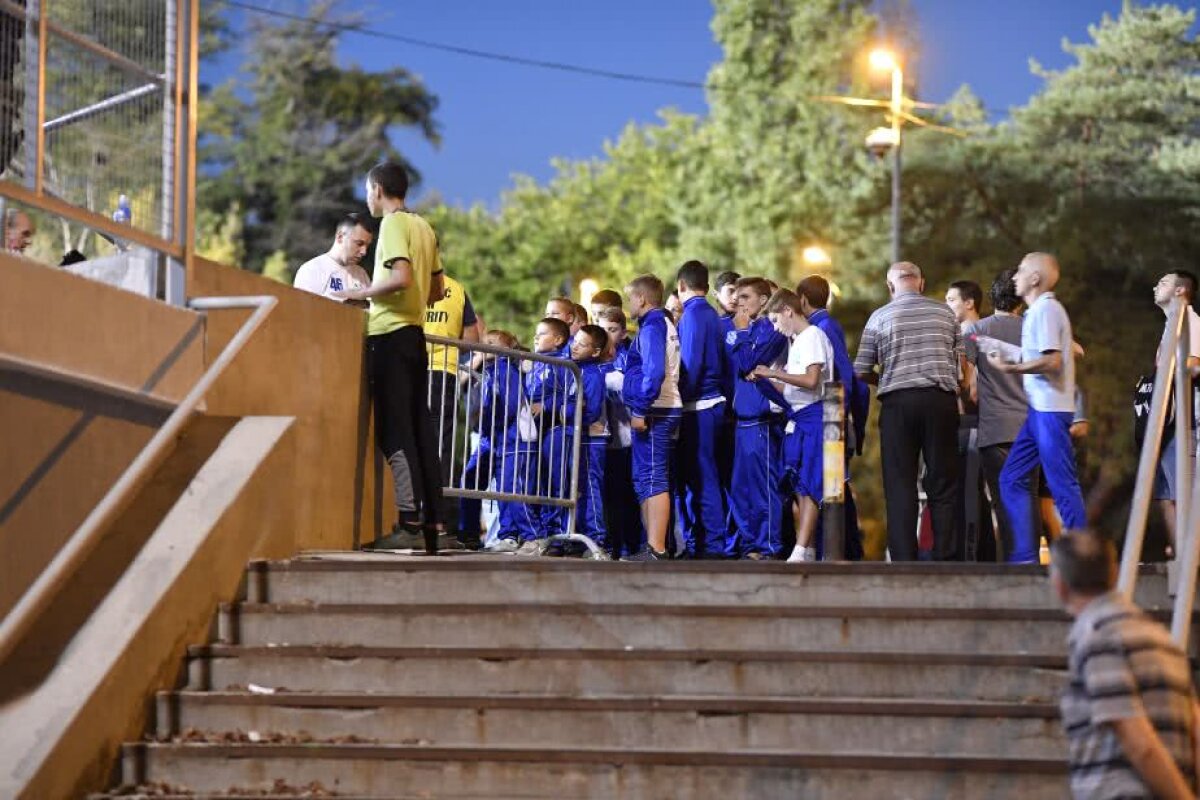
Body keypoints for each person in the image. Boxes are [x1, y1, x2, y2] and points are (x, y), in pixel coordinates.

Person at [338, 162, 448, 553]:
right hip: (416, 337)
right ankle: (434, 524)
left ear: (377, 189)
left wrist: (359, 295)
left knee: (394, 431)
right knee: (421, 431)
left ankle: (408, 523)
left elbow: (400, 277)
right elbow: (435, 289)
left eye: (368, 190)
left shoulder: (395, 225)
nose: (368, 197)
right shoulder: (425, 227)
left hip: (389, 336)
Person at [1052, 529, 1199, 799]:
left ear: (1060, 585)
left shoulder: (1098, 636)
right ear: (1113, 574)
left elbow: (1138, 742)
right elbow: (1195, 728)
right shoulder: (1160, 637)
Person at [854, 262, 963, 562]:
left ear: (890, 287)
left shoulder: (879, 317)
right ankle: (946, 557)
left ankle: (903, 558)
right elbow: (960, 367)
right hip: (940, 402)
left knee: (900, 483)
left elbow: (861, 371)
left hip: (898, 405)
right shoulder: (946, 313)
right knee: (943, 483)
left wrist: (888, 377)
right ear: (921, 283)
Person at [990, 252, 1087, 564]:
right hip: (1039, 411)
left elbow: (1053, 360)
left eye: (1020, 271)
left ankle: (1084, 555)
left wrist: (1012, 369)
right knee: (1011, 478)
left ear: (1034, 279)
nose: (1015, 276)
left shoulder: (1045, 310)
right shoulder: (1037, 313)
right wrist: (1013, 359)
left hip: (1051, 411)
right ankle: (1024, 557)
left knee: (1062, 484)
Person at [964, 270, 1039, 561]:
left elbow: (971, 390)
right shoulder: (1033, 330)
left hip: (994, 429)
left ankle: (1012, 564)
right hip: (1029, 429)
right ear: (1020, 300)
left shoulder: (976, 330)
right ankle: (1030, 565)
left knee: (1002, 500)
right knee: (1028, 496)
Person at [755, 289, 834, 562]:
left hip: (813, 416)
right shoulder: (799, 340)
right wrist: (766, 380)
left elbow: (812, 380)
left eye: (777, 320)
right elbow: (793, 385)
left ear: (789, 311)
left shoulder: (812, 336)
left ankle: (801, 548)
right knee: (797, 483)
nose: (777, 328)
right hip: (798, 416)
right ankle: (807, 546)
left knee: (810, 481)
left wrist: (776, 372)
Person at [797, 275, 868, 560]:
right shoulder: (824, 326)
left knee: (832, 487)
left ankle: (840, 552)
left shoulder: (822, 328)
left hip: (831, 418)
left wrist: (839, 415)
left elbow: (845, 377)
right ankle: (846, 550)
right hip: (832, 416)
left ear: (802, 300)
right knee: (835, 489)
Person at [621, 274, 682, 561]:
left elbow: (654, 372)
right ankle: (652, 545)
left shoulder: (652, 326)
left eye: (630, 298)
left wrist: (641, 409)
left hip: (656, 410)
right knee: (646, 477)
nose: (628, 304)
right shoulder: (658, 323)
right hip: (657, 408)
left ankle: (656, 547)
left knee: (654, 478)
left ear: (642, 299)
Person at [727, 277, 789, 559]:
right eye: (737, 297)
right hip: (742, 420)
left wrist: (742, 337)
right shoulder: (744, 329)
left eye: (746, 297)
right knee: (741, 490)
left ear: (763, 301)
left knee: (765, 487)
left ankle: (768, 545)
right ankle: (751, 543)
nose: (739, 303)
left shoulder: (771, 330)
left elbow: (749, 364)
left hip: (763, 420)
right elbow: (743, 369)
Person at [673, 260, 729, 558]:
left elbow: (691, 365)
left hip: (700, 406)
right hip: (713, 403)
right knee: (704, 476)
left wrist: (678, 400)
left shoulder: (693, 316)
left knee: (703, 476)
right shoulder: (711, 315)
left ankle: (713, 545)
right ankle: (709, 542)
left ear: (681, 286)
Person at [424, 270, 481, 545]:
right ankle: (438, 524)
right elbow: (472, 339)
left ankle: (410, 521)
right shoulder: (456, 289)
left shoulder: (403, 282)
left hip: (407, 369)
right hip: (443, 373)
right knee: (440, 449)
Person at [1149, 270, 1200, 557]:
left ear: (1181, 291)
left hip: (1186, 421)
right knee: (1167, 496)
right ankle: (1183, 558)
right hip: (1170, 420)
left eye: (1164, 282)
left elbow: (1192, 362)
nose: (1156, 286)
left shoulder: (1189, 322)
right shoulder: (1172, 325)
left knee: (1182, 495)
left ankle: (1190, 562)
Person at [520, 317, 573, 555]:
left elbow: (570, 395)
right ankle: (545, 533)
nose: (535, 338)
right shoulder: (535, 363)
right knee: (540, 483)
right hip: (536, 432)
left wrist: (546, 406)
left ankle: (561, 537)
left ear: (559, 339)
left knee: (557, 483)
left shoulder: (564, 364)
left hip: (556, 431)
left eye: (541, 334)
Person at [597, 305, 644, 557]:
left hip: (627, 440)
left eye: (612, 330)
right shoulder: (592, 359)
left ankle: (633, 544)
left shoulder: (628, 357)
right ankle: (613, 544)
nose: (607, 335)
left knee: (628, 494)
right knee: (608, 495)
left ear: (623, 332)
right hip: (603, 440)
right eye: (602, 329)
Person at [569, 324, 610, 553]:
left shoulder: (592, 374)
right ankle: (581, 535)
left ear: (595, 352)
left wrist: (567, 414)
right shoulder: (575, 369)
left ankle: (596, 538)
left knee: (590, 487)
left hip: (592, 439)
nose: (575, 347)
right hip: (580, 437)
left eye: (582, 345)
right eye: (575, 341)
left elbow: (592, 410)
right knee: (580, 487)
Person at [292, 212, 374, 305]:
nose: (364, 252)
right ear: (340, 237)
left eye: (367, 246)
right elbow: (303, 312)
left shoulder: (362, 275)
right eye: (359, 244)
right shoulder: (312, 270)